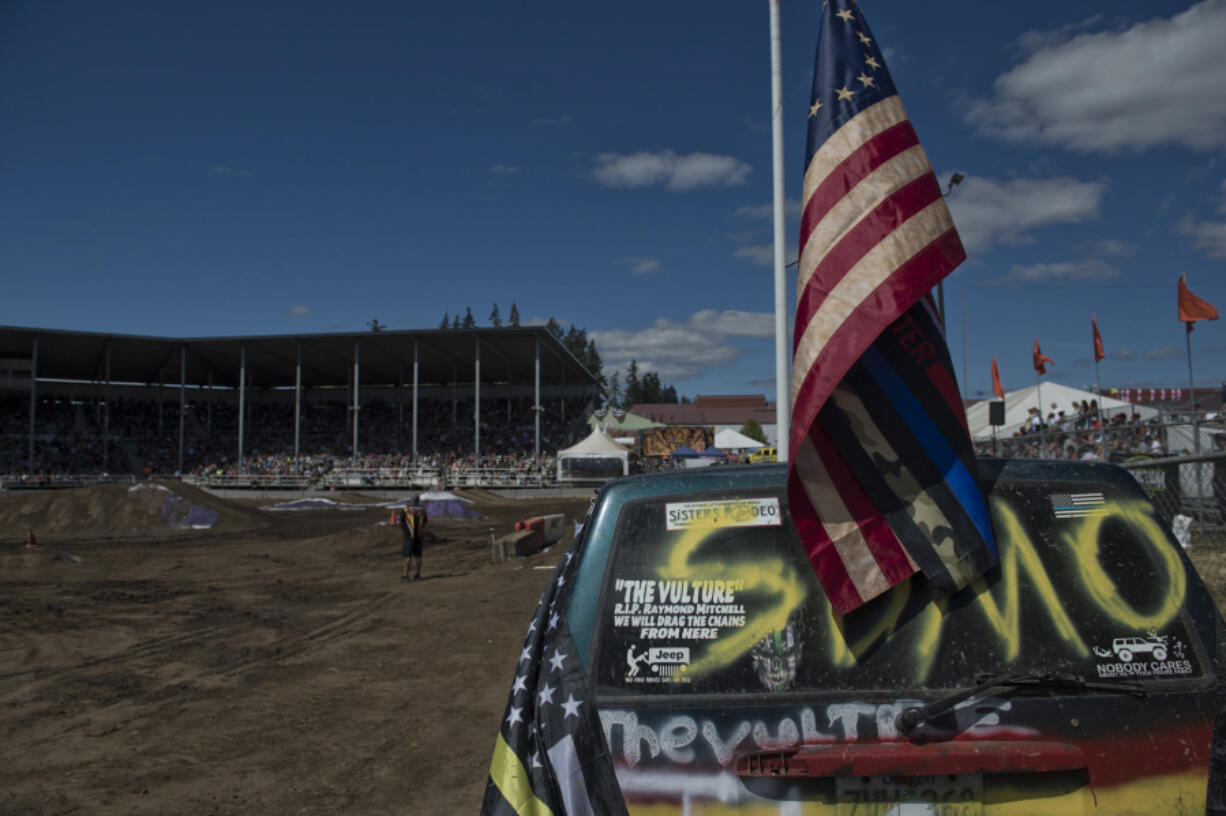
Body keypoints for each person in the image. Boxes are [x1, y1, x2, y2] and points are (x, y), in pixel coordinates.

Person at [398, 495, 428, 582]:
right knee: (418, 556)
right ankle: (418, 575)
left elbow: (400, 521)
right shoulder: (422, 510)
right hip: (419, 536)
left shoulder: (406, 510)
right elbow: (425, 521)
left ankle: (405, 575)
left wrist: (407, 531)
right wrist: (420, 530)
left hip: (409, 537)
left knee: (408, 556)